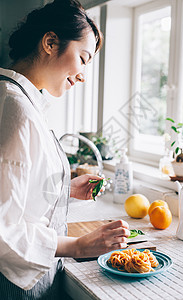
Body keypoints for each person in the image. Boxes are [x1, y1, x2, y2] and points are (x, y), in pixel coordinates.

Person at [0, 0, 130, 299]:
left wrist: (64, 190)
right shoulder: (15, 108)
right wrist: (78, 245)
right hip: (15, 282)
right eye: (83, 58)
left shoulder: (19, 100)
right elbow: (3, 228)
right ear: (50, 42)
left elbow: (16, 189)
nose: (83, 75)